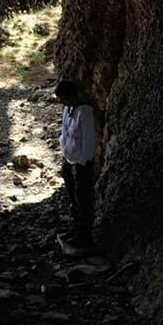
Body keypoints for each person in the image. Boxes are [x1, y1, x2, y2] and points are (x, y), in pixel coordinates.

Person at [55, 80, 96, 254]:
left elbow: (88, 140)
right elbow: (65, 133)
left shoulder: (84, 112)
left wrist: (84, 161)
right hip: (69, 160)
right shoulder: (67, 110)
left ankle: (84, 233)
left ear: (70, 95)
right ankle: (75, 228)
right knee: (73, 197)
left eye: (62, 98)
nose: (60, 102)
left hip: (81, 163)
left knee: (83, 197)